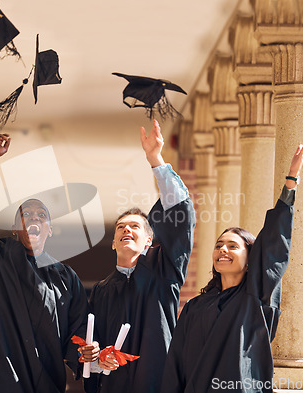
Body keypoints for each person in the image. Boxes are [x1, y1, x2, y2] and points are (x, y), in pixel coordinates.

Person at [160, 133, 303, 393]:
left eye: (233, 246)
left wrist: (291, 181)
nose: (223, 249)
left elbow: (274, 244)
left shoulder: (255, 297)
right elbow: (175, 364)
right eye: (219, 245)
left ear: (249, 259)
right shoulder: (194, 308)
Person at [0, 134, 96, 393]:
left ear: (50, 229)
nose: (34, 218)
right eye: (26, 214)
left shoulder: (66, 278)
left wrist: (84, 352)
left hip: (47, 383)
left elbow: (77, 331)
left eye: (41, 215)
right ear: (14, 228)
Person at [80, 120, 196, 393]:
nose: (126, 230)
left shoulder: (164, 271)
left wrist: (155, 160)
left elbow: (182, 217)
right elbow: (91, 352)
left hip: (159, 383)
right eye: (120, 227)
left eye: (135, 227)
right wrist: (96, 359)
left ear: (149, 241)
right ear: (112, 243)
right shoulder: (102, 291)